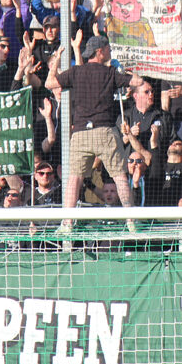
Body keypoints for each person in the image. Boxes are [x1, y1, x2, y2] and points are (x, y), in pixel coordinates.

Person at [45, 35, 144, 227]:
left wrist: (56, 59)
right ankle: (131, 221)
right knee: (119, 176)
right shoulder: (110, 73)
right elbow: (138, 82)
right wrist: (127, 69)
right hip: (105, 132)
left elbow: (49, 83)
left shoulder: (76, 71)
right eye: (107, 49)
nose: (109, 52)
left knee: (74, 178)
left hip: (80, 134)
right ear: (100, 52)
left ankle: (67, 223)